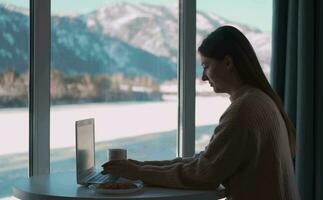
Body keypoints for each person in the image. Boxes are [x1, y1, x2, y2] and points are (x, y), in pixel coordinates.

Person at [102, 25, 300, 200]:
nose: (204, 77)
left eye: (207, 66)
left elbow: (204, 175)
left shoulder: (245, 109)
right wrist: (141, 167)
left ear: (228, 63)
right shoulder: (258, 100)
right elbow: (206, 161)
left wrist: (139, 171)